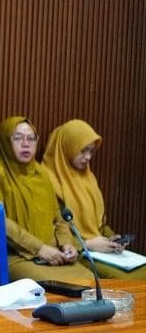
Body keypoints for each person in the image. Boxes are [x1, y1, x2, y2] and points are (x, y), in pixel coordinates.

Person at [0, 116, 93, 281]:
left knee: (91, 282)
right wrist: (39, 248)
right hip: (14, 257)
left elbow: (58, 217)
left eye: (31, 138)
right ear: (4, 142)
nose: (26, 144)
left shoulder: (41, 173)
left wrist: (66, 243)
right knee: (62, 287)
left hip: (54, 256)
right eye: (18, 138)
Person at [43, 119, 146, 279]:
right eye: (83, 151)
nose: (88, 157)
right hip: (74, 252)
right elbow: (50, 230)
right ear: (67, 147)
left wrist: (112, 239)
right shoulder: (47, 180)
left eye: (91, 151)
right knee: (131, 280)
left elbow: (98, 224)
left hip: (99, 250)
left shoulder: (88, 178)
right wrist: (86, 244)